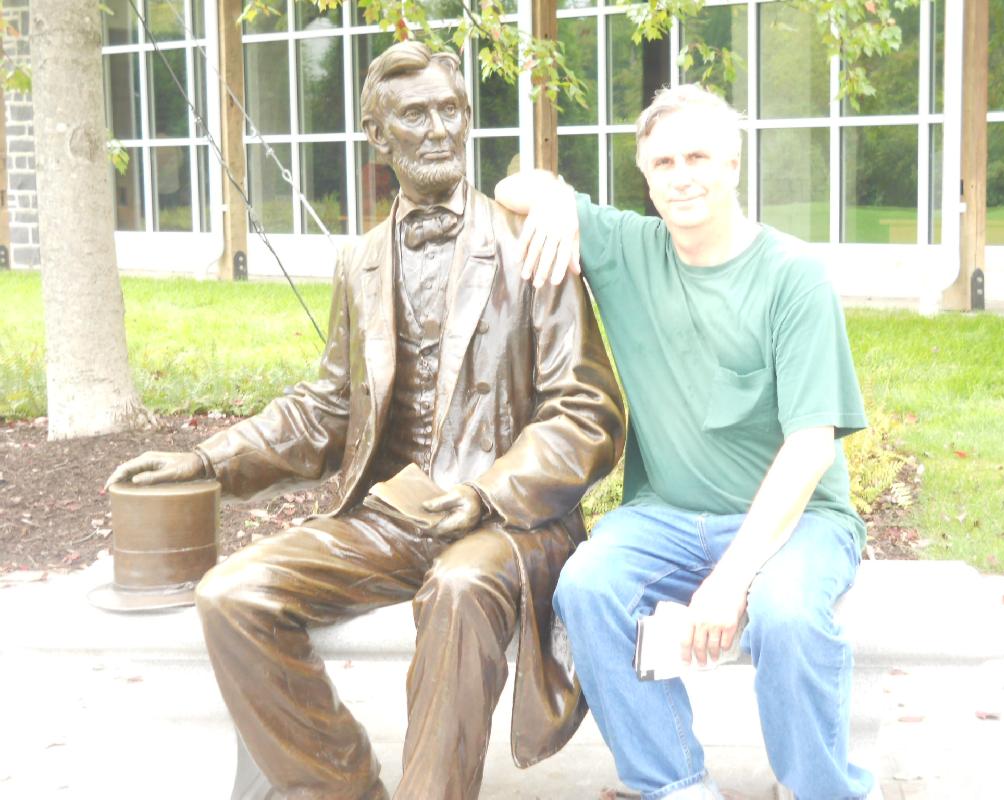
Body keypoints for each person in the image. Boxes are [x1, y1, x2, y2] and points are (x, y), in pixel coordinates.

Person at [107, 41, 624, 800]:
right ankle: (341, 786)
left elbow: (587, 407)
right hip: (388, 517)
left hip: (505, 524)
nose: (440, 129)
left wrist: (486, 493)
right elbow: (328, 405)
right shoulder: (362, 259)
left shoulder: (527, 243)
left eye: (451, 110)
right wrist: (210, 460)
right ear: (378, 136)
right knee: (232, 595)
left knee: (456, 591)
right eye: (415, 115)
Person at [494, 85, 876, 800]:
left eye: (698, 155)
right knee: (586, 586)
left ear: (733, 164)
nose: (682, 174)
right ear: (645, 177)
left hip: (796, 522)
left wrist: (731, 580)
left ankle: (821, 790)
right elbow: (511, 185)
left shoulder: (792, 278)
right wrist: (550, 201)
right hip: (666, 515)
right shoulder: (627, 249)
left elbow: (809, 450)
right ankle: (672, 785)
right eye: (663, 162)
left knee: (787, 613)